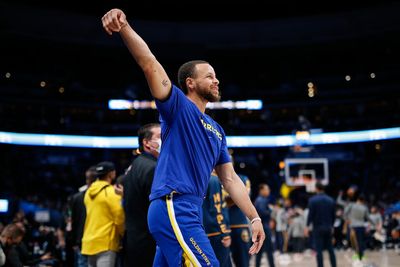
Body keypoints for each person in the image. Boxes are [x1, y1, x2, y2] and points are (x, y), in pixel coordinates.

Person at [101, 9, 265, 266]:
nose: (216, 80)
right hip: (174, 205)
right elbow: (149, 64)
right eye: (209, 75)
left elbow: (230, 179)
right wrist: (124, 27)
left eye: (216, 75)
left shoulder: (218, 130)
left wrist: (254, 218)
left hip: (189, 210)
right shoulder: (177, 106)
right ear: (190, 82)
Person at [122, 123, 161, 267]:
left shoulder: (136, 164)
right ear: (146, 143)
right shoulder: (152, 167)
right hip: (148, 241)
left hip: (134, 238)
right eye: (160, 137)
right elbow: (157, 209)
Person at [81, 161, 125, 267]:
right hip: (105, 243)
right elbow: (119, 218)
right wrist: (123, 234)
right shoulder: (111, 192)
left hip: (89, 242)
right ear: (111, 174)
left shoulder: (88, 192)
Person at [68, 165, 97, 267]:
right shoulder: (105, 196)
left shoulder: (76, 198)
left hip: (82, 241)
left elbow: (71, 221)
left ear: (87, 179)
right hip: (98, 241)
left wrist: (73, 241)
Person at [202, 170, 232, 267]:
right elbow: (216, 208)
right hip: (217, 233)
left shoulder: (202, 179)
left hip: (204, 231)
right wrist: (225, 233)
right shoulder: (214, 180)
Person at [306, 182, 336, 267]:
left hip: (318, 228)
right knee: (330, 249)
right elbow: (333, 215)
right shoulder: (331, 200)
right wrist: (332, 225)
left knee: (318, 250)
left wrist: (307, 226)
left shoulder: (312, 200)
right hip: (328, 227)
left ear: (316, 188)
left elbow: (310, 215)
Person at [226, 173, 252, 267]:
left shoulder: (243, 178)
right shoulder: (213, 179)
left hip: (239, 224)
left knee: (243, 261)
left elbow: (245, 195)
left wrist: (224, 199)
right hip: (220, 227)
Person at [254, 183, 275, 267]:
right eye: (267, 189)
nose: (268, 191)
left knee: (259, 250)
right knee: (269, 249)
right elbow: (263, 213)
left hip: (262, 226)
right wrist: (270, 209)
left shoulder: (259, 200)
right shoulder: (261, 200)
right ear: (261, 190)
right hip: (264, 227)